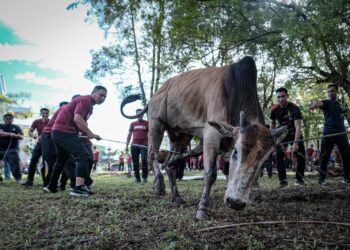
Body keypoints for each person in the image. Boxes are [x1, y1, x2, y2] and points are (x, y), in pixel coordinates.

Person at [43, 86, 107, 196]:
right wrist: (90, 133)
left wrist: (89, 134)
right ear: (93, 93)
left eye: (105, 97)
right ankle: (78, 188)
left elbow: (81, 123)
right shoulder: (85, 100)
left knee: (61, 160)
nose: (103, 98)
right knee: (83, 156)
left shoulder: (90, 108)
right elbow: (77, 119)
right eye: (101, 95)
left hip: (59, 132)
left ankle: (51, 186)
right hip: (63, 132)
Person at [310, 84, 350, 185]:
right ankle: (322, 179)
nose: (330, 93)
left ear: (337, 92)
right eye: (328, 91)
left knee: (346, 155)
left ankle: (347, 178)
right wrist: (314, 105)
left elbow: (348, 116)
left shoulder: (342, 103)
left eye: (332, 91)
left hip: (341, 132)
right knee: (324, 156)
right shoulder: (326, 103)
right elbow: (318, 103)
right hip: (328, 133)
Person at [271, 87, 306, 188]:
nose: (281, 99)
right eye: (278, 97)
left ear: (287, 96)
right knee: (279, 156)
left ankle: (299, 180)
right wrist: (274, 139)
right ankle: (283, 181)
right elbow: (273, 125)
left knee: (301, 156)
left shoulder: (294, 108)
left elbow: (298, 126)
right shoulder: (274, 109)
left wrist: (295, 143)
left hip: (295, 132)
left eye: (283, 96)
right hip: (282, 134)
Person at [22, 108, 50, 186]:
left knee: (46, 163)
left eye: (46, 113)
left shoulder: (51, 122)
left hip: (48, 145)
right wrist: (33, 135)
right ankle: (29, 180)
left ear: (48, 114)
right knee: (33, 160)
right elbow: (30, 131)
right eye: (43, 113)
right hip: (39, 144)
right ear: (41, 114)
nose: (45, 114)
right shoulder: (36, 122)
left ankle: (46, 182)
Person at [125, 109, 149, 183]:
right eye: (138, 114)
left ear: (143, 114)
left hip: (144, 145)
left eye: (141, 113)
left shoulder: (147, 123)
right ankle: (137, 178)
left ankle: (144, 178)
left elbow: (151, 134)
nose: (140, 115)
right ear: (136, 115)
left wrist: (151, 144)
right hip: (134, 145)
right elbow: (129, 134)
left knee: (144, 160)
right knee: (135, 162)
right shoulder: (132, 124)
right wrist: (126, 145)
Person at [0, 113, 24, 182]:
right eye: (6, 118)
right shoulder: (1, 125)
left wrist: (18, 136)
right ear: (4, 119)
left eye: (10, 118)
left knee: (15, 164)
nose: (8, 120)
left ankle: (18, 179)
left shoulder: (16, 127)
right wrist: (10, 134)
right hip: (0, 148)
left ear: (12, 119)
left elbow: (21, 136)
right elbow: (1, 133)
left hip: (12, 149)